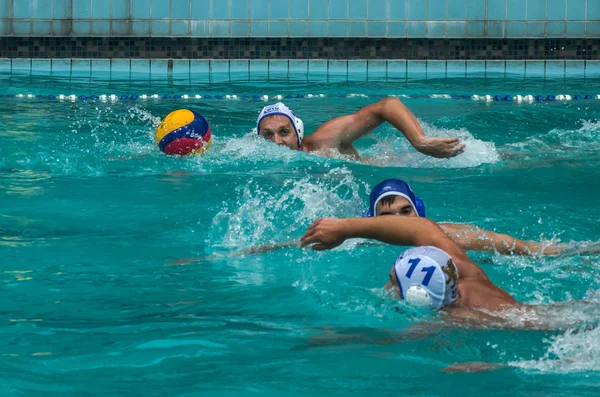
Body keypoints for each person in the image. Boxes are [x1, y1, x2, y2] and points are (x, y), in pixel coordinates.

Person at [365, 178, 567, 256]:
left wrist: (575, 251)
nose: (399, 222)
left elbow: (519, 247)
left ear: (419, 211)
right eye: (386, 216)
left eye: (406, 211)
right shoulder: (363, 243)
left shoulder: (449, 236)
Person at [254, 100, 465, 160]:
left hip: (420, 164)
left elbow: (388, 106)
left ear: (297, 132)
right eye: (268, 135)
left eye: (284, 132)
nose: (277, 142)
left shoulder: (325, 140)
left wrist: (420, 142)